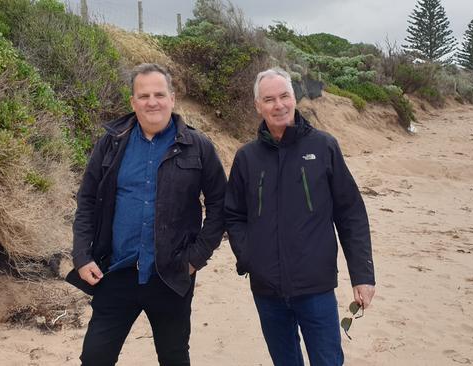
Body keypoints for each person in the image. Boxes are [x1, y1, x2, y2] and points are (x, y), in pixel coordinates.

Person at [71, 63, 226, 366]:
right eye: (143, 96)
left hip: (171, 274)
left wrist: (196, 257)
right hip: (115, 272)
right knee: (94, 357)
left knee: (174, 357)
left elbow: (221, 205)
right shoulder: (111, 143)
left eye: (159, 94)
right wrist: (81, 255)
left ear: (172, 97)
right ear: (132, 102)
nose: (151, 102)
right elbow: (87, 200)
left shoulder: (199, 146)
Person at [224, 68, 375, 365]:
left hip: (315, 286)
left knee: (328, 360)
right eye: (269, 99)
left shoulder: (324, 146)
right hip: (266, 289)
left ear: (295, 98)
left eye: (284, 96)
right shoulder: (247, 157)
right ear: (258, 106)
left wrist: (363, 276)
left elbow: (351, 213)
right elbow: (233, 214)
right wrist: (249, 258)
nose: (278, 105)